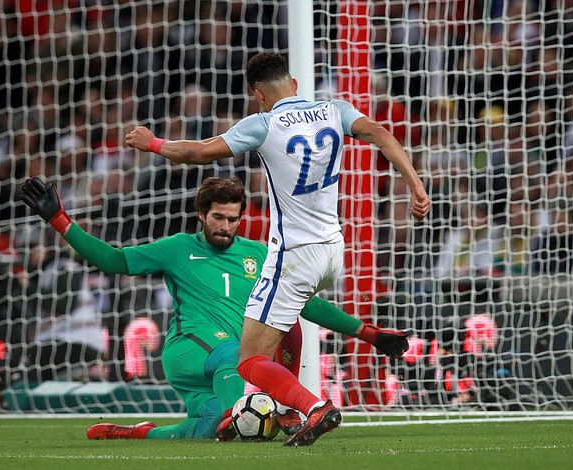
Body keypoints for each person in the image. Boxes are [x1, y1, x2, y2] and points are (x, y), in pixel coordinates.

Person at [124, 52, 430, 446]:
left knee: (249, 361)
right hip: (334, 250)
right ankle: (286, 412)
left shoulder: (263, 123)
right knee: (288, 316)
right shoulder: (335, 110)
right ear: (295, 84)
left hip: (293, 253)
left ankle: (314, 407)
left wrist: (154, 143)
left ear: (259, 95)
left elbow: (197, 152)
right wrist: (417, 187)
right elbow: (382, 135)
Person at [19, 176, 409, 441]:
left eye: (233, 219)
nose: (226, 226)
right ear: (202, 214)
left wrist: (369, 334)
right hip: (188, 348)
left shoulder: (258, 255)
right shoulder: (177, 248)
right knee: (236, 353)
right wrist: (59, 220)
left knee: (207, 427)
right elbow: (113, 261)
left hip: (227, 363)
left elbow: (307, 304)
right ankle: (308, 407)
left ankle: (138, 432)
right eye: (218, 218)